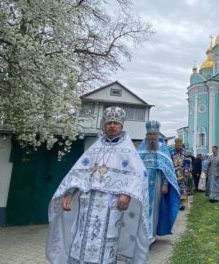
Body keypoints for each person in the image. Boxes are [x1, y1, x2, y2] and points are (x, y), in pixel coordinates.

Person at [46, 106, 149, 264]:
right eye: (109, 123)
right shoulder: (94, 148)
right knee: (82, 236)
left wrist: (127, 193)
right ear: (104, 125)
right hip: (88, 203)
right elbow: (79, 172)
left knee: (106, 240)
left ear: (121, 126)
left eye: (116, 123)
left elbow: (138, 175)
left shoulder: (128, 150)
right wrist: (69, 193)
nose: (112, 126)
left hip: (111, 204)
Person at [137, 120, 180, 244]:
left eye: (154, 134)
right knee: (143, 208)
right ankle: (142, 234)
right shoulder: (141, 147)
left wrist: (165, 183)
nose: (152, 137)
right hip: (143, 183)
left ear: (158, 135)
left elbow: (167, 168)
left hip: (156, 182)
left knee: (155, 207)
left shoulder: (162, 148)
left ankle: (152, 234)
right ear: (146, 135)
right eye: (150, 134)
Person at [171, 138, 192, 211]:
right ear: (175, 145)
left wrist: (187, 171)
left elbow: (188, 162)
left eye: (179, 145)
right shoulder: (172, 152)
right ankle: (176, 203)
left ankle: (182, 204)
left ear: (181, 145)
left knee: (183, 189)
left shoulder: (185, 152)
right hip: (174, 174)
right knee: (175, 189)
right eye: (177, 145)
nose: (178, 146)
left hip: (183, 174)